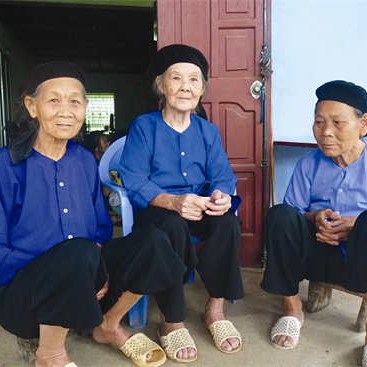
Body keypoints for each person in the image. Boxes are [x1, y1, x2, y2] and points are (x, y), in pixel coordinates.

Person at [0, 61, 188, 367]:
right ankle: (50, 354)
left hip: (88, 286)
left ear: (85, 108)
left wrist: (89, 267)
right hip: (26, 298)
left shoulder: (85, 160)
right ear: (32, 107)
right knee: (76, 253)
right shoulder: (4, 165)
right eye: (54, 100)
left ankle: (107, 324)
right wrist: (71, 269)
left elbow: (100, 226)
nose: (66, 110)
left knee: (153, 241)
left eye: (75, 101)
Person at [261, 80, 367, 367]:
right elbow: (294, 216)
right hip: (316, 255)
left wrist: (359, 228)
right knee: (280, 214)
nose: (325, 132)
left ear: (363, 124)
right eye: (319, 122)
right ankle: (291, 311)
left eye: (338, 122)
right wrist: (313, 218)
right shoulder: (308, 164)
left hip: (363, 264)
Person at [119, 44, 244, 363]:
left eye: (194, 79)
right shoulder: (144, 127)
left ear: (202, 89)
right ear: (161, 85)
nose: (185, 86)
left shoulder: (208, 131)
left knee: (227, 222)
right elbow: (133, 179)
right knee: (172, 225)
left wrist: (220, 194)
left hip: (198, 205)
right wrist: (173, 201)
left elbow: (223, 175)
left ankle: (215, 309)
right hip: (158, 210)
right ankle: (171, 320)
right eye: (176, 78)